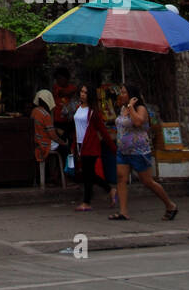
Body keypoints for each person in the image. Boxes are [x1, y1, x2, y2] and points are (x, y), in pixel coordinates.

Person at [109, 84, 179, 221]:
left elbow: (137, 122)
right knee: (121, 178)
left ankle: (170, 205)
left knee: (147, 181)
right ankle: (123, 211)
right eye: (121, 92)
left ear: (132, 95)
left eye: (124, 92)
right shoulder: (122, 109)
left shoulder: (140, 109)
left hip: (139, 151)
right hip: (123, 151)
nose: (121, 95)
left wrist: (131, 107)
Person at [72, 83, 116, 210]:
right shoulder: (78, 108)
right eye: (81, 92)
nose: (82, 94)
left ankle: (87, 202)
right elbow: (77, 128)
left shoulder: (93, 112)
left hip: (90, 145)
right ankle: (109, 190)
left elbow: (103, 131)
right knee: (88, 174)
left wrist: (113, 149)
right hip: (81, 144)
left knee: (88, 174)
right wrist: (74, 146)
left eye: (85, 93)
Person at [32, 89, 64, 180]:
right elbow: (53, 136)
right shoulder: (46, 115)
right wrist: (63, 142)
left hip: (36, 141)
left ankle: (52, 175)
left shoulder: (34, 111)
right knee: (64, 150)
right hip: (43, 143)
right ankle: (60, 176)